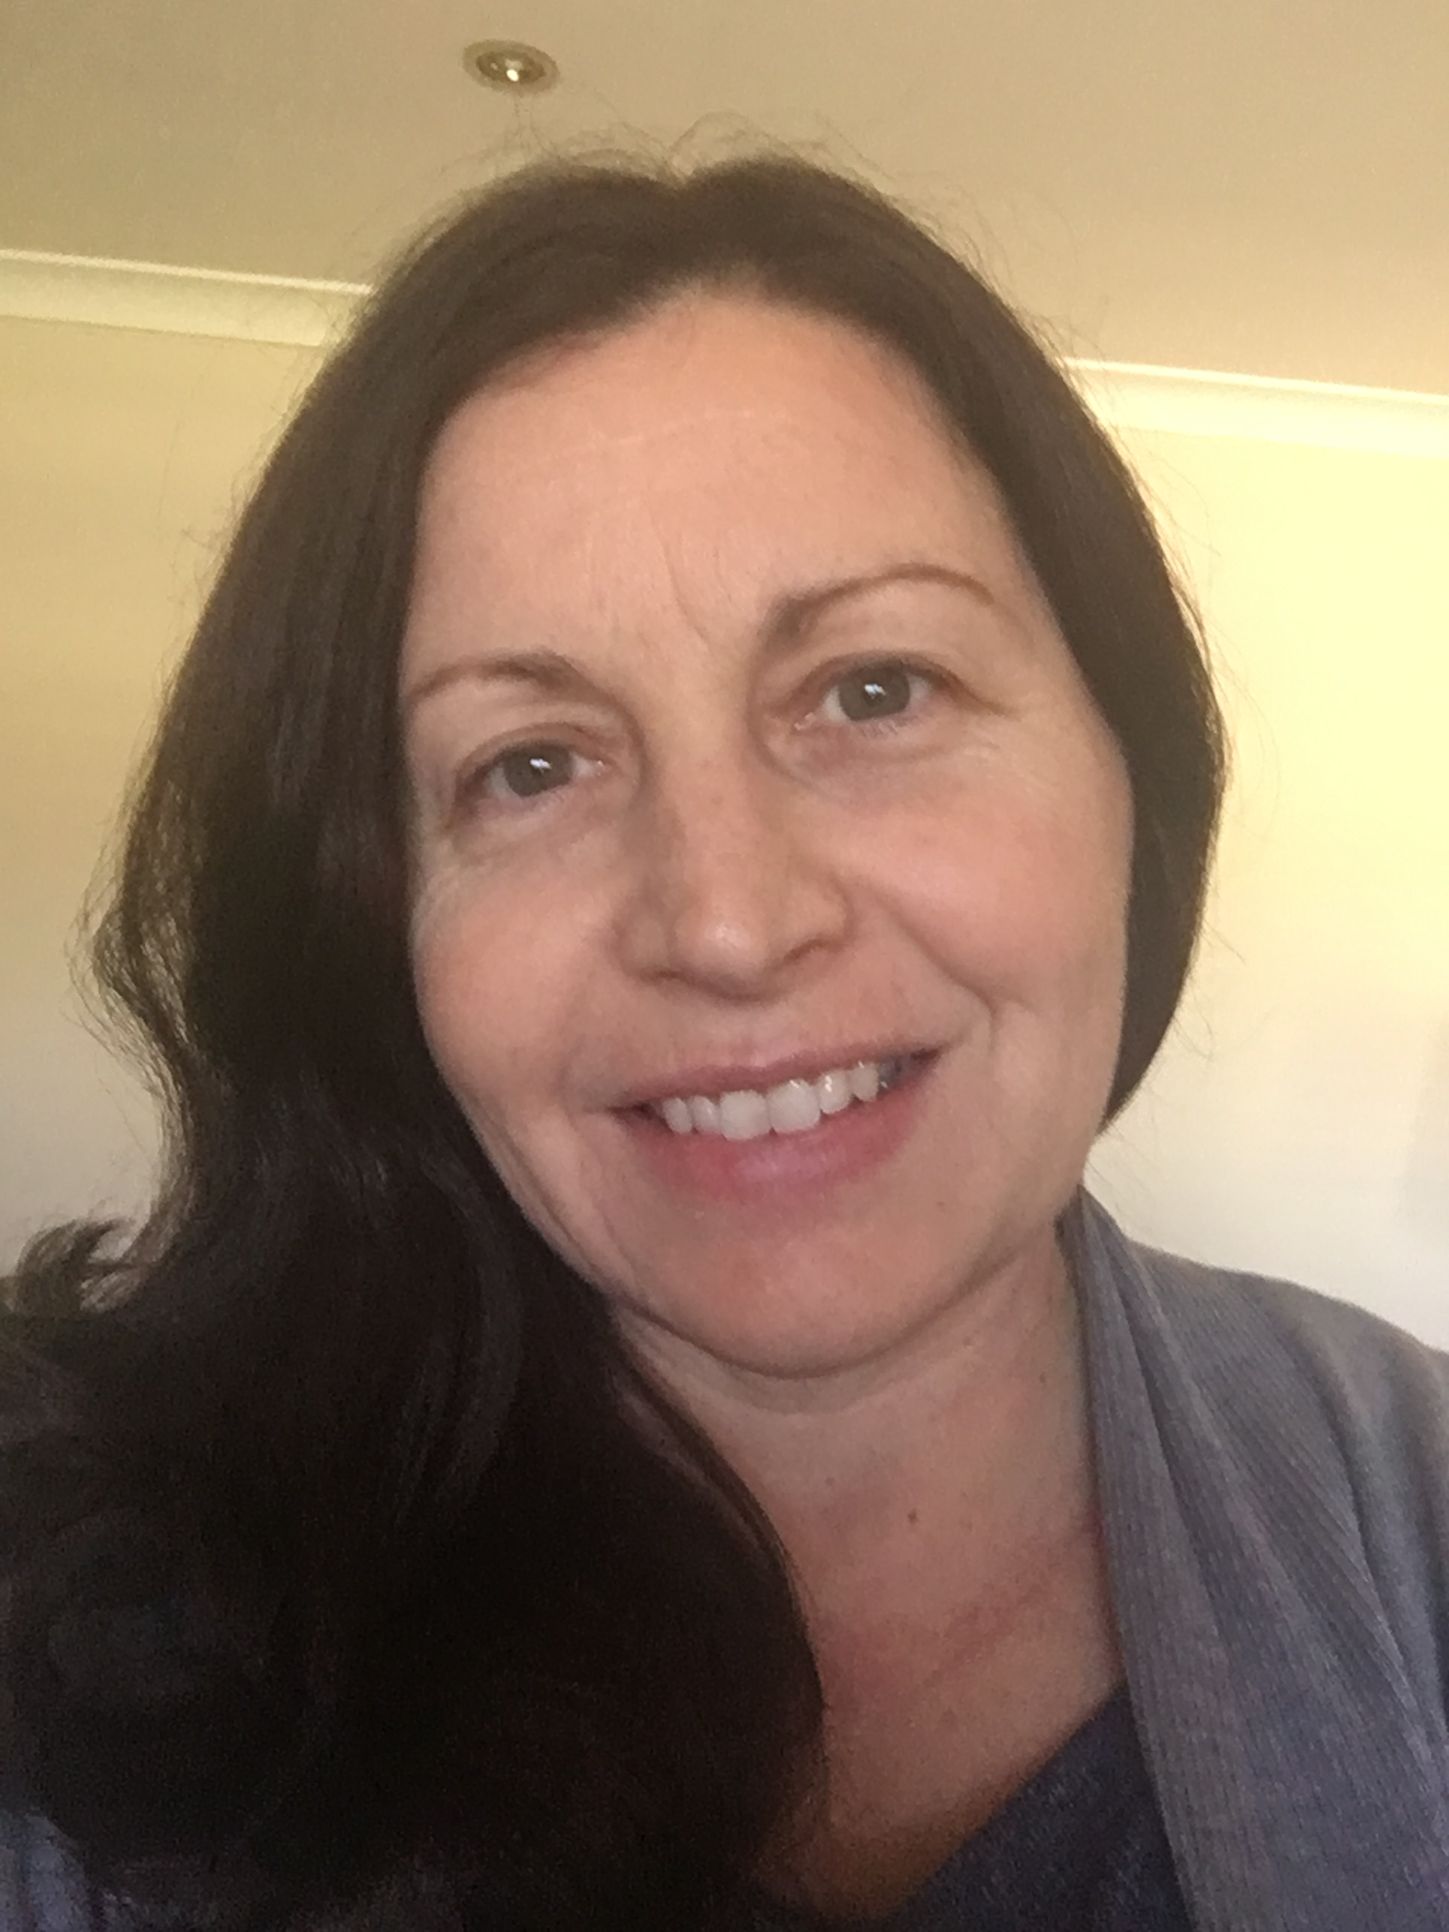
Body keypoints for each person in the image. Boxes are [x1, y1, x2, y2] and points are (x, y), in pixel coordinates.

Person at [2, 152, 1447, 1932]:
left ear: (1127, 774)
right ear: (371, 923)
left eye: (873, 689)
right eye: (529, 765)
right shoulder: (79, 1601)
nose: (727, 920)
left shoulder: (1413, 1510)